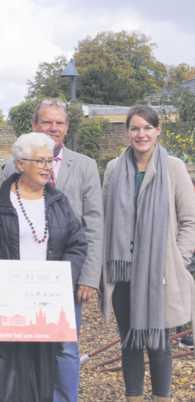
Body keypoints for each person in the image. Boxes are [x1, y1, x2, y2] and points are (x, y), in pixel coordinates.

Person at [0, 132, 87, 402]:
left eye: (50, 160)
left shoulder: (59, 203)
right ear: (21, 164)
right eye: (40, 161)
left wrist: (61, 280)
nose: (47, 166)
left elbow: (77, 244)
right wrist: (7, 280)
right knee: (5, 375)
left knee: (43, 373)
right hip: (6, 305)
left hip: (46, 304)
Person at [2, 99, 102, 402]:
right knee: (22, 342)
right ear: (35, 125)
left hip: (67, 273)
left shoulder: (84, 166)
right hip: (23, 273)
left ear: (67, 128)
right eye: (46, 122)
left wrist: (89, 277)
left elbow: (94, 224)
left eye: (59, 123)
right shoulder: (13, 165)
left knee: (65, 346)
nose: (53, 128)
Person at [101, 105, 195, 402]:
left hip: (159, 271)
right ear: (127, 132)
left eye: (147, 128)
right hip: (123, 269)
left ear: (158, 131)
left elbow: (190, 220)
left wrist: (177, 259)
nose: (141, 134)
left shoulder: (174, 168)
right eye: (135, 128)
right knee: (130, 341)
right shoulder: (114, 169)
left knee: (158, 342)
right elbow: (105, 219)